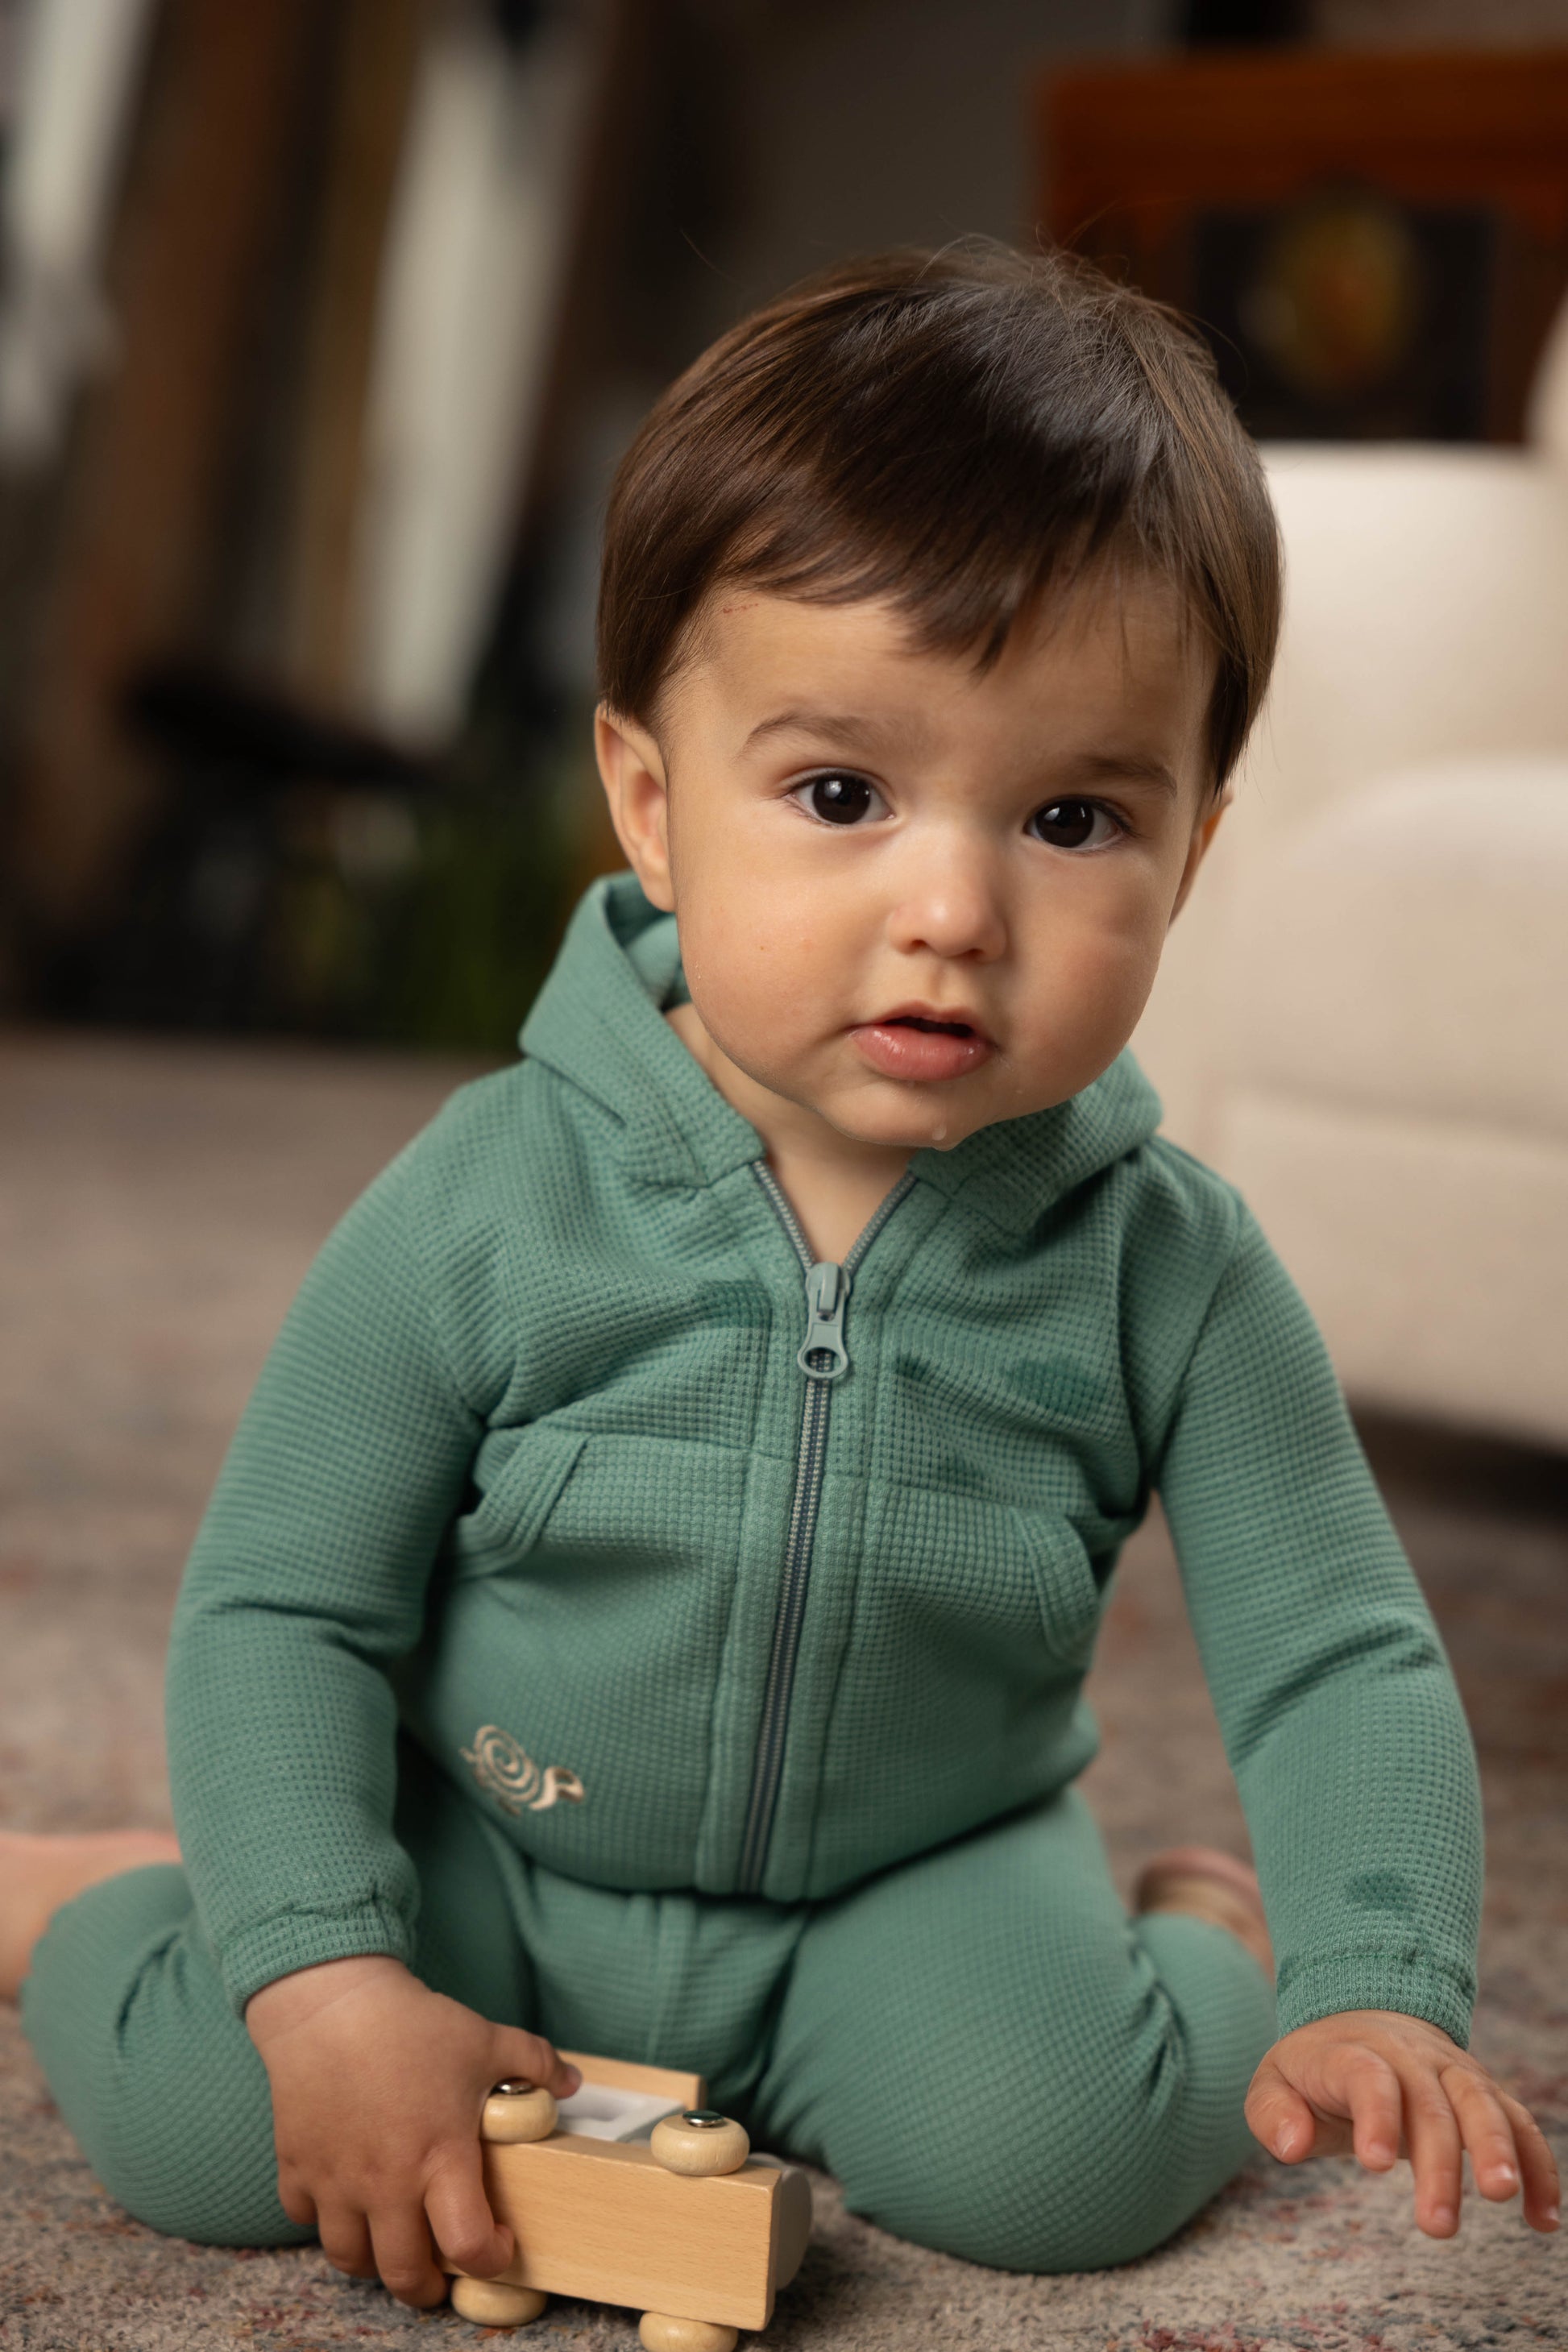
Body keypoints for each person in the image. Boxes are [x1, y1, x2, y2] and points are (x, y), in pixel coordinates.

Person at [6, 243, 1558, 2305]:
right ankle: (99, 1900)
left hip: (916, 1871)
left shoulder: (1168, 1263)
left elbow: (1334, 1646)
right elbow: (285, 1601)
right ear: (652, 806)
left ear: (1190, 854)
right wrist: (322, 1971)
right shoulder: (486, 1196)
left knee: (1077, 2169)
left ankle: (1210, 1934)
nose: (951, 907)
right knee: (221, 2119)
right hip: (497, 1836)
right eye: (840, 794)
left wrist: (1377, 1969)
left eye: (1073, 816)